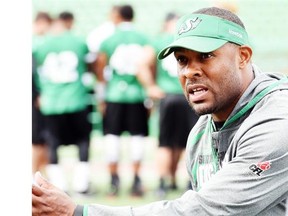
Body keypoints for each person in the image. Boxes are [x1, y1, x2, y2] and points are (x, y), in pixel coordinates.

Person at [32, 6, 288, 215]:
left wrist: (79, 212)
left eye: (206, 56)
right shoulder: (202, 129)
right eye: (182, 60)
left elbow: (204, 211)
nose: (190, 71)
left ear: (242, 56)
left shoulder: (278, 121)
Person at [138, 12, 199, 198]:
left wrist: (151, 87)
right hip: (188, 95)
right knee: (189, 141)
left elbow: (141, 65)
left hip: (168, 96)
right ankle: (188, 181)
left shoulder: (158, 41)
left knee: (166, 142)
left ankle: (165, 181)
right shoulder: (190, 40)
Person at [94, 4, 151, 197]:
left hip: (115, 95)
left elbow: (100, 68)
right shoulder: (143, 39)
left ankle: (114, 181)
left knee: (112, 137)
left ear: (118, 16)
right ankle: (136, 181)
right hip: (137, 94)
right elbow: (149, 67)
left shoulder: (109, 39)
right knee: (137, 137)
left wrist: (102, 93)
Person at [33, 11, 93, 194]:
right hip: (76, 99)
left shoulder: (41, 45)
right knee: (83, 140)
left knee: (53, 142)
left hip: (51, 102)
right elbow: (90, 65)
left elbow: (35, 73)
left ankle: (59, 185)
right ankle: (81, 184)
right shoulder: (79, 42)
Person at [32, 11, 53, 177]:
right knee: (37, 139)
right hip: (37, 98)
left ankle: (41, 174)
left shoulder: (42, 42)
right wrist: (36, 95)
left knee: (44, 139)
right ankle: (33, 173)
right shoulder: (34, 44)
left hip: (43, 96)